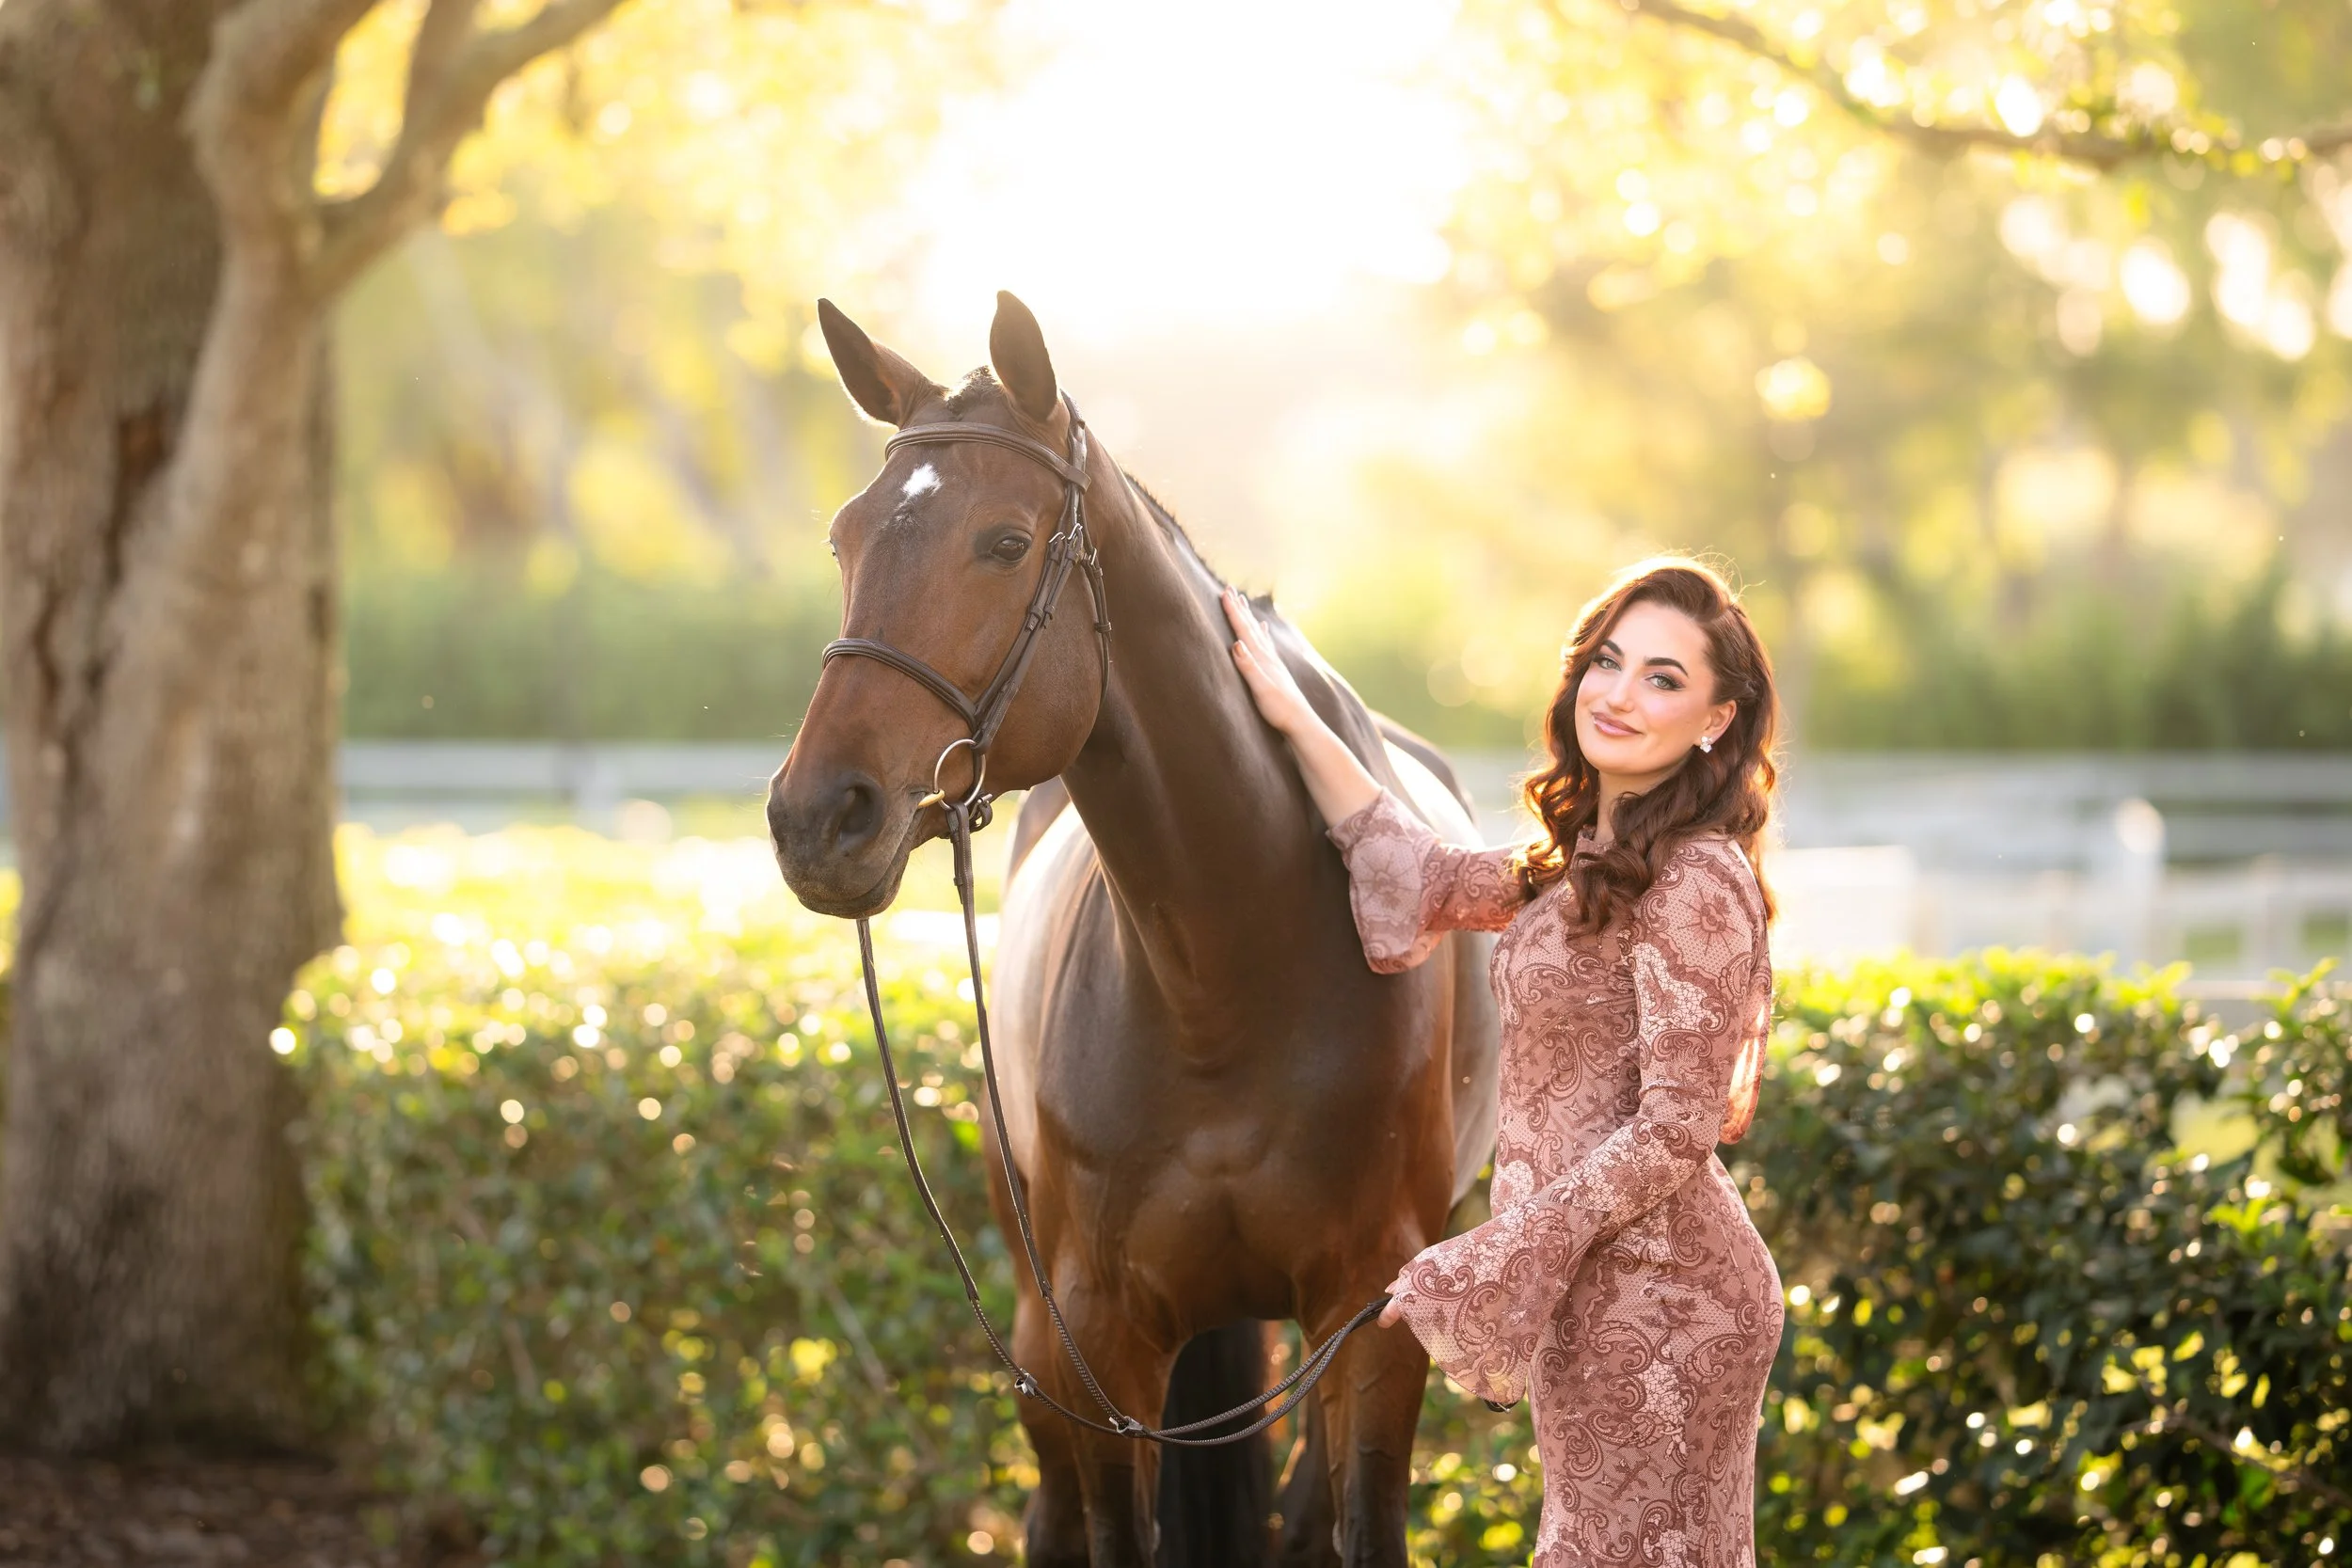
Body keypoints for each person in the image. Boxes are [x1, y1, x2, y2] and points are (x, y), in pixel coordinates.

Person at [1223, 557, 1783, 1567]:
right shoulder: (1577, 866)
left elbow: (1675, 1128)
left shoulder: (1697, 876)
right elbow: (1420, 870)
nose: (1618, 693)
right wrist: (1292, 713)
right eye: (1607, 661)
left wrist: (1492, 1251)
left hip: (1668, 1299)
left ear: (1715, 719)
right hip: (1595, 1288)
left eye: (1661, 677)